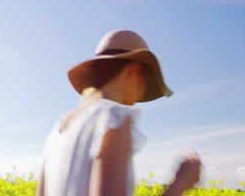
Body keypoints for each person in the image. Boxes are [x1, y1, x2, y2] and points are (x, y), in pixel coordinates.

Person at [36, 30, 201, 196]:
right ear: (135, 70)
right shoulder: (113, 116)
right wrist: (181, 183)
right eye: (147, 80)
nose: (142, 93)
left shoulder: (59, 129)